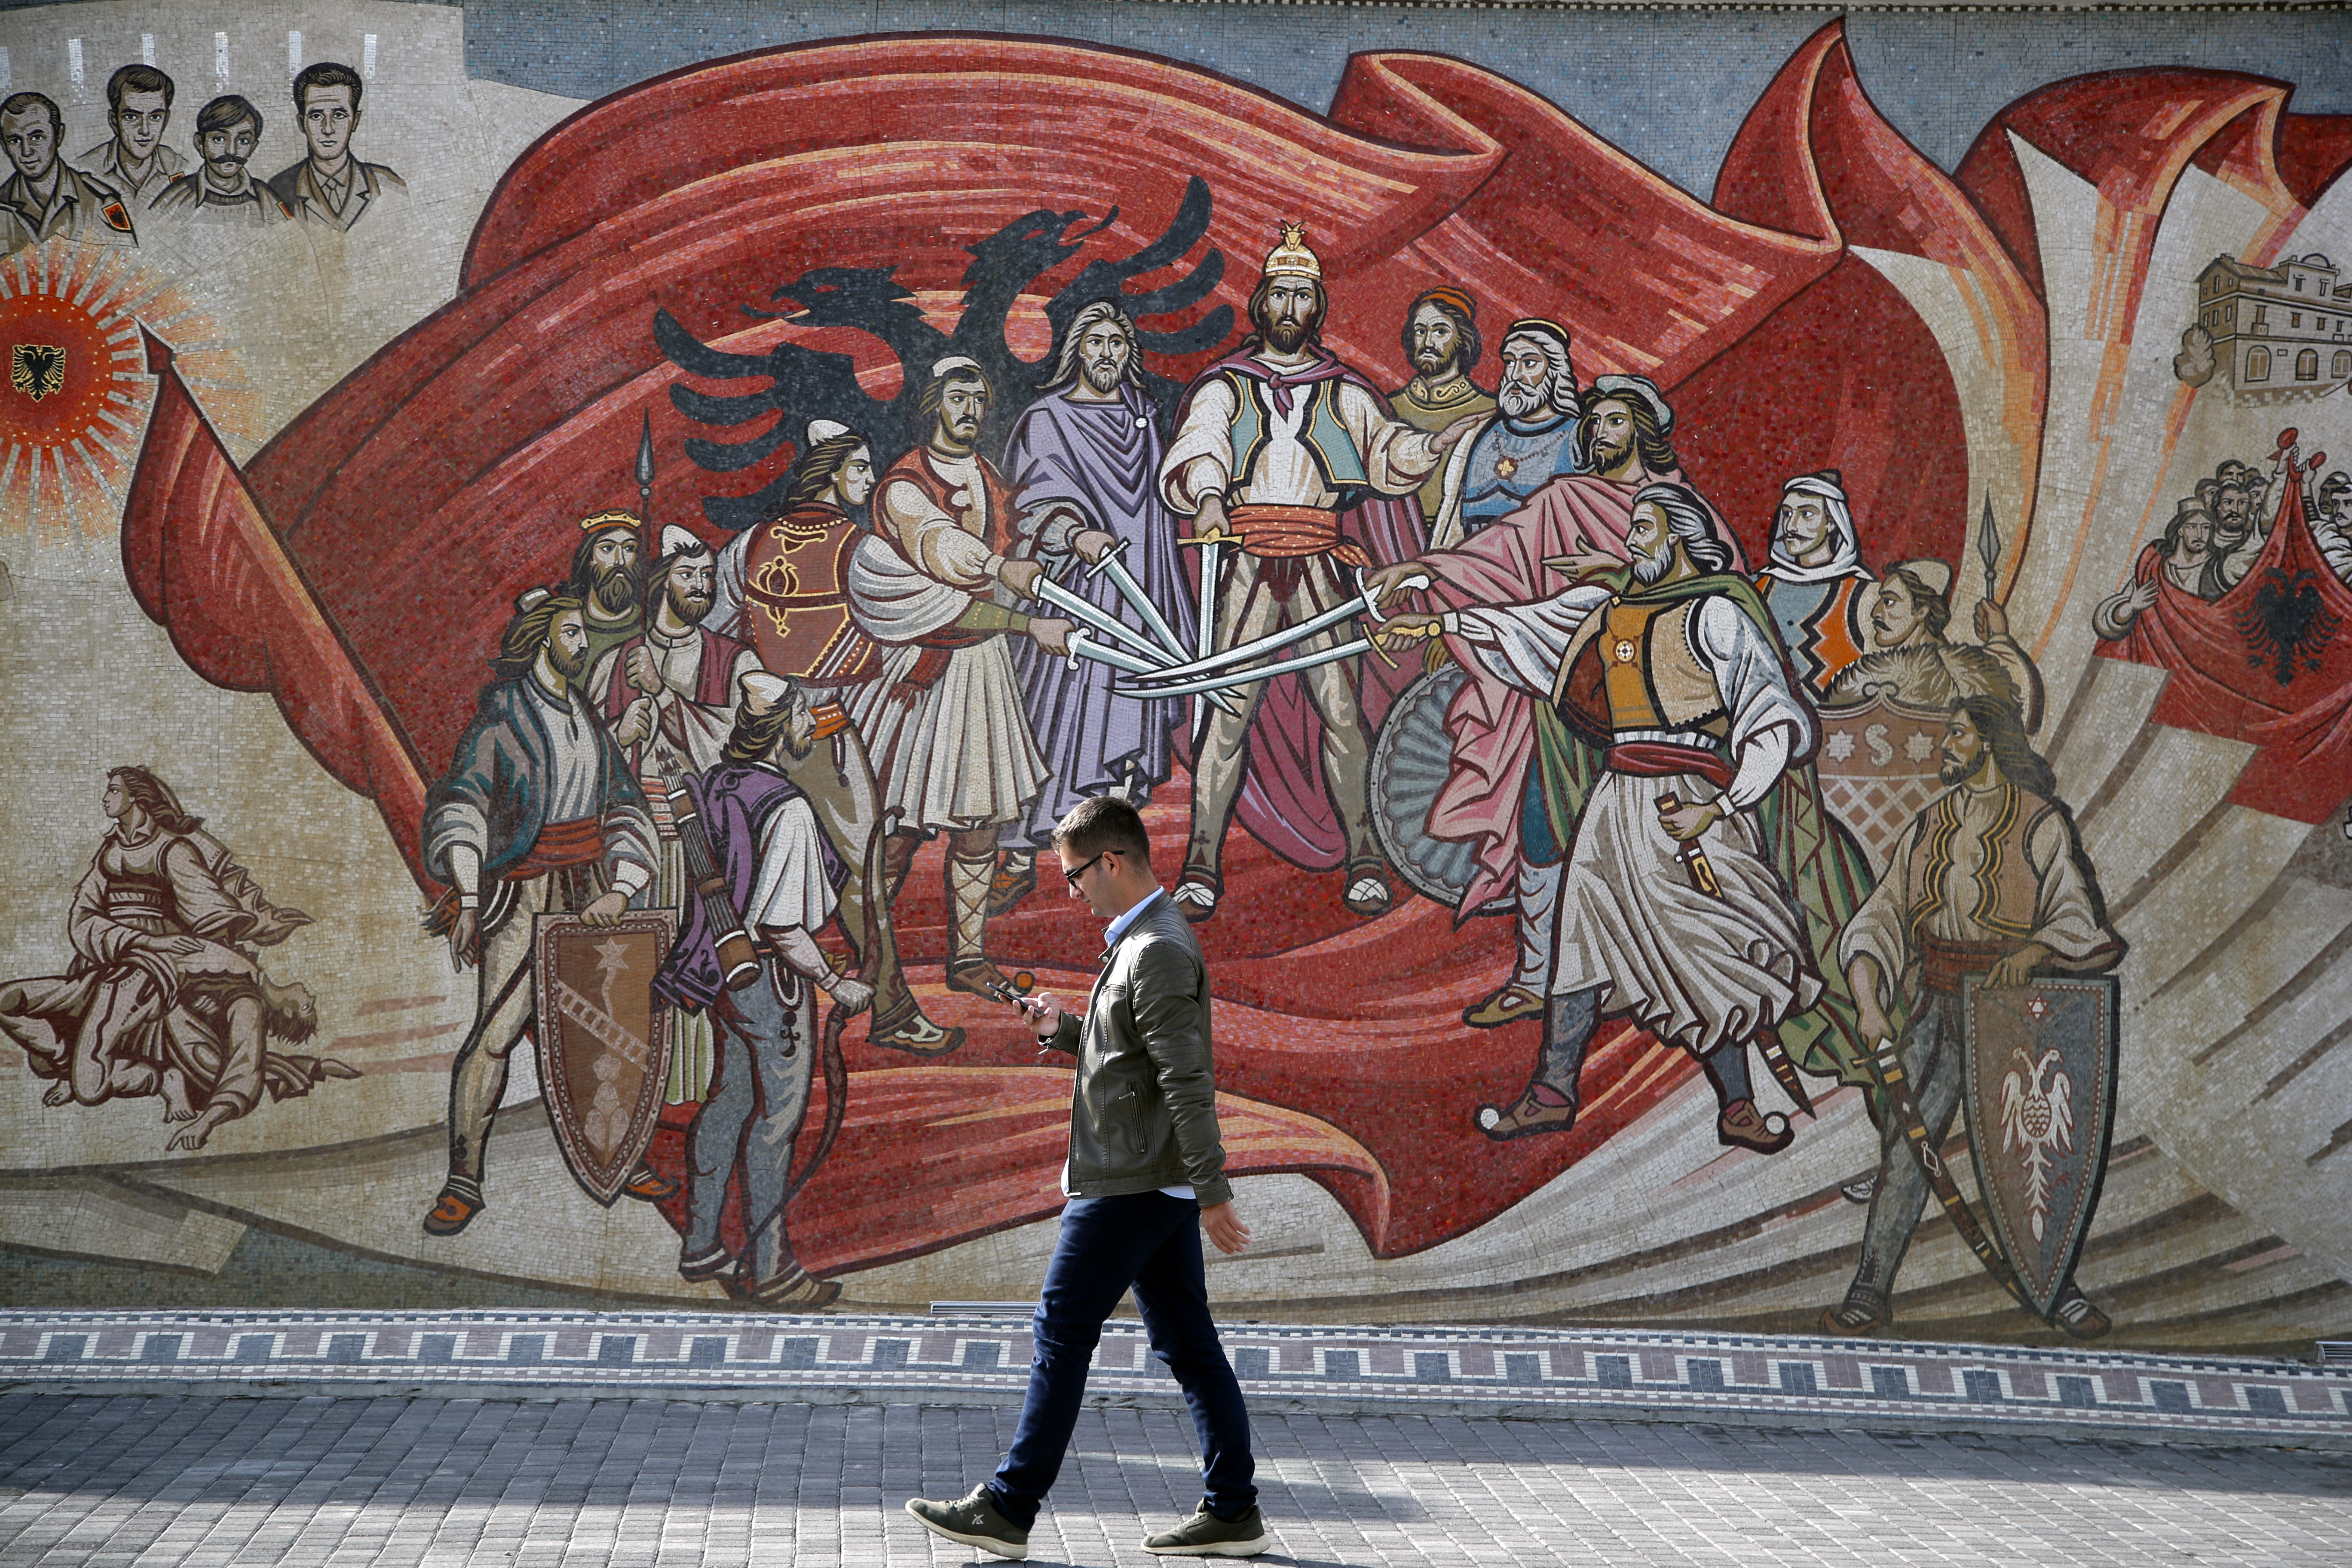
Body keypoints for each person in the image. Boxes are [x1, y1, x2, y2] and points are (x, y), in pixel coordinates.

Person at [1382, 485, 1832, 1152]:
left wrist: (1723, 806)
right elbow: (1519, 623)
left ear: (1679, 535)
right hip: (1616, 801)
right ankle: (1551, 1095)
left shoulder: (1716, 615)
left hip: (1691, 801)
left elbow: (1769, 715)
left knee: (1709, 949)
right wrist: (1439, 625)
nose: (1630, 543)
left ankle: (1737, 1106)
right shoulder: (1606, 610)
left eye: (1644, 529)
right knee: (1579, 944)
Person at [904, 795, 1267, 1562]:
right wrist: (1062, 1029)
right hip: (1145, 1179)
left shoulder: (1157, 948)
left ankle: (1008, 1505)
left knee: (1061, 1331)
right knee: (1188, 1344)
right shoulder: (1138, 942)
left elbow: (1185, 1079)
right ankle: (1233, 1510)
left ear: (1111, 860)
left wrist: (1213, 1190)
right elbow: (1127, 1055)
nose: (1070, 890)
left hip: (1129, 1183)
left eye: (1074, 875)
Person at [1364, 376, 1734, 1028]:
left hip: (1657, 715)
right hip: (1566, 697)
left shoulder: (1678, 508)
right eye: (1594, 424)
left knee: (1638, 846)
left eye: (1615, 422)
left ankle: (1639, 973)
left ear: (1642, 430)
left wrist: (1615, 577)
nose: (1599, 433)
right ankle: (1536, 975)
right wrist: (1424, 572)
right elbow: (1496, 556)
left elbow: (1714, 592)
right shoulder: (1565, 497)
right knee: (1543, 829)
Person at [1160, 223, 1481, 921]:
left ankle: (1364, 855)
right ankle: (1200, 864)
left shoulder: (1344, 391)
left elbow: (1390, 452)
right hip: (1246, 562)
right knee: (1225, 717)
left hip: (1317, 566)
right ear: (1262, 303)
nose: (1290, 306)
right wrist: (1211, 496)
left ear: (1316, 309)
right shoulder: (1227, 385)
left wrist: (1440, 442)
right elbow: (1201, 443)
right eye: (1280, 293)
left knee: (1340, 713)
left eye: (1303, 295)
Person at [1820, 696, 2124, 1340]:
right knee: (1907, 1151)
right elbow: (1882, 917)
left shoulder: (2040, 822)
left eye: (1957, 734)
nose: (1946, 745)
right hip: (1934, 1003)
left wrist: (2034, 951)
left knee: (2030, 1154)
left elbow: (2075, 913)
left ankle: (2058, 1288)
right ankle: (1870, 1290)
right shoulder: (1931, 824)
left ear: (1989, 741)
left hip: (2012, 1013)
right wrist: (1871, 1002)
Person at [707, 422, 961, 1056]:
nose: (870, 481)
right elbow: (939, 608)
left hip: (758, 746)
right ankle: (891, 1010)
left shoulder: (749, 545)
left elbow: (717, 628)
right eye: (860, 468)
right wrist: (1020, 617)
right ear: (830, 471)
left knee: (755, 875)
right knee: (865, 879)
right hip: (823, 741)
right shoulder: (858, 549)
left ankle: (789, 1015)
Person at [418, 589, 664, 1237]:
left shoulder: (584, 714)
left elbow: (624, 802)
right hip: (525, 891)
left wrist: (623, 885)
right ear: (543, 638)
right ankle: (463, 1180)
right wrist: (470, 898)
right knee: (495, 1034)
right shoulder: (502, 720)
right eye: (575, 633)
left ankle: (619, 1150)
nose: (586, 644)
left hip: (590, 890)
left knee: (607, 1034)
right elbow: (462, 804)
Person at [846, 356, 1069, 996]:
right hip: (919, 669)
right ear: (933, 404)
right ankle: (873, 956)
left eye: (979, 398)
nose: (970, 410)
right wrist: (1007, 578)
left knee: (980, 826)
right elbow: (939, 547)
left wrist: (1043, 552)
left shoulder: (989, 476)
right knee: (898, 826)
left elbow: (1014, 541)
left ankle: (967, 959)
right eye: (958, 398)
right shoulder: (904, 485)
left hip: (982, 666)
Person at [655, 672, 873, 1306]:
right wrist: (835, 982)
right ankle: (771, 1268)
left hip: (722, 975)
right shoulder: (789, 807)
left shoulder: (719, 781)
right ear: (782, 729)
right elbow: (782, 924)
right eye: (804, 717)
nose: (810, 726)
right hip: (769, 984)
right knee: (775, 1124)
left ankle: (701, 1245)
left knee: (726, 1104)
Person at [0, 768, 351, 1149]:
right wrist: (127, 939)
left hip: (149, 970)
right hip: (109, 960)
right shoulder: (111, 850)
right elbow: (83, 914)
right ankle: (85, 1066)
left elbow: (208, 912)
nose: (106, 798)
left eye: (113, 791)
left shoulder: (174, 852)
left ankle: (133, 1077)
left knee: (90, 1078)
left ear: (136, 797)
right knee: (12, 1004)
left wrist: (205, 1124)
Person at [992, 301, 1193, 914]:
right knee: (1056, 721)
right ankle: (1024, 852)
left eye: (1117, 343)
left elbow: (1155, 508)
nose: (1106, 355)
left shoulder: (1142, 417)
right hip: (1076, 592)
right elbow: (1034, 496)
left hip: (1138, 592)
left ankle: (1108, 867)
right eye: (1095, 343)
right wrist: (1076, 533)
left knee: (1125, 713)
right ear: (1077, 350)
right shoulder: (1046, 417)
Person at [586, 524, 758, 1104]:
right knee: (629, 970)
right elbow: (583, 757)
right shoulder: (615, 661)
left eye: (709, 577)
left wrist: (661, 696)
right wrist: (619, 729)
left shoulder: (733, 660)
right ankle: (633, 1093)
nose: (702, 586)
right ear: (662, 582)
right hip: (635, 842)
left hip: (704, 846)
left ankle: (683, 1091)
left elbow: (735, 750)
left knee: (693, 960)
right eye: (689, 575)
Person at [1422, 318, 1584, 550]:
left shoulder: (1576, 436)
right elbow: (1451, 515)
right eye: (1510, 362)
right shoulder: (1480, 430)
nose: (1516, 375)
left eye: (1530, 363)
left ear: (1555, 371)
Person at [1825, 559, 2043, 730]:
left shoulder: (1960, 673)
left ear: (1922, 611)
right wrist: (1999, 639)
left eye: (1889, 602)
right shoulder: (1968, 670)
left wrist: (1999, 639)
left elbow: (2012, 709)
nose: (1876, 612)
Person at [1755, 470, 1876, 695]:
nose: (1791, 526)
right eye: (1788, 514)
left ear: (1832, 522)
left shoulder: (1863, 593)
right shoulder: (1759, 587)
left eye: (1806, 514)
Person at [1385, 286, 1495, 522]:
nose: (1427, 342)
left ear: (1463, 339)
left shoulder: (1491, 411)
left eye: (1440, 331)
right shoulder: (1386, 408)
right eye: (1420, 331)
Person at [267, 62, 406, 230]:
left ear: (355, 121)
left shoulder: (387, 185)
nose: (328, 129)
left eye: (339, 115)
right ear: (302, 123)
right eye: (316, 116)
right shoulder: (279, 189)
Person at [0, 92, 136, 251]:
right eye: (15, 141)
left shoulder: (99, 201)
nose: (27, 151)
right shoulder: (2, 206)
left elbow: (126, 262)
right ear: (4, 146)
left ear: (58, 136)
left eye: (37, 138)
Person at [147, 95, 294, 225]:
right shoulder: (177, 198)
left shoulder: (266, 198)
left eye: (243, 141)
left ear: (253, 147)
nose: (231, 151)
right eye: (219, 139)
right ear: (200, 143)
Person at [2092, 502, 2224, 640]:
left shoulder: (2217, 567)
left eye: (2206, 528)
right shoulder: (2154, 567)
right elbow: (2107, 622)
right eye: (2192, 527)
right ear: (2180, 530)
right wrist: (2131, 606)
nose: (2200, 534)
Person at [76, 64, 183, 207]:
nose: (145, 130)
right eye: (132, 117)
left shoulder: (178, 168)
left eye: (155, 117)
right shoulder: (85, 172)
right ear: (114, 121)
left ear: (166, 120)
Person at [568, 510, 648, 672]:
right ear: (590, 560)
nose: (620, 560)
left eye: (630, 548)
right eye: (608, 548)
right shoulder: (569, 627)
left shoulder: (650, 627)